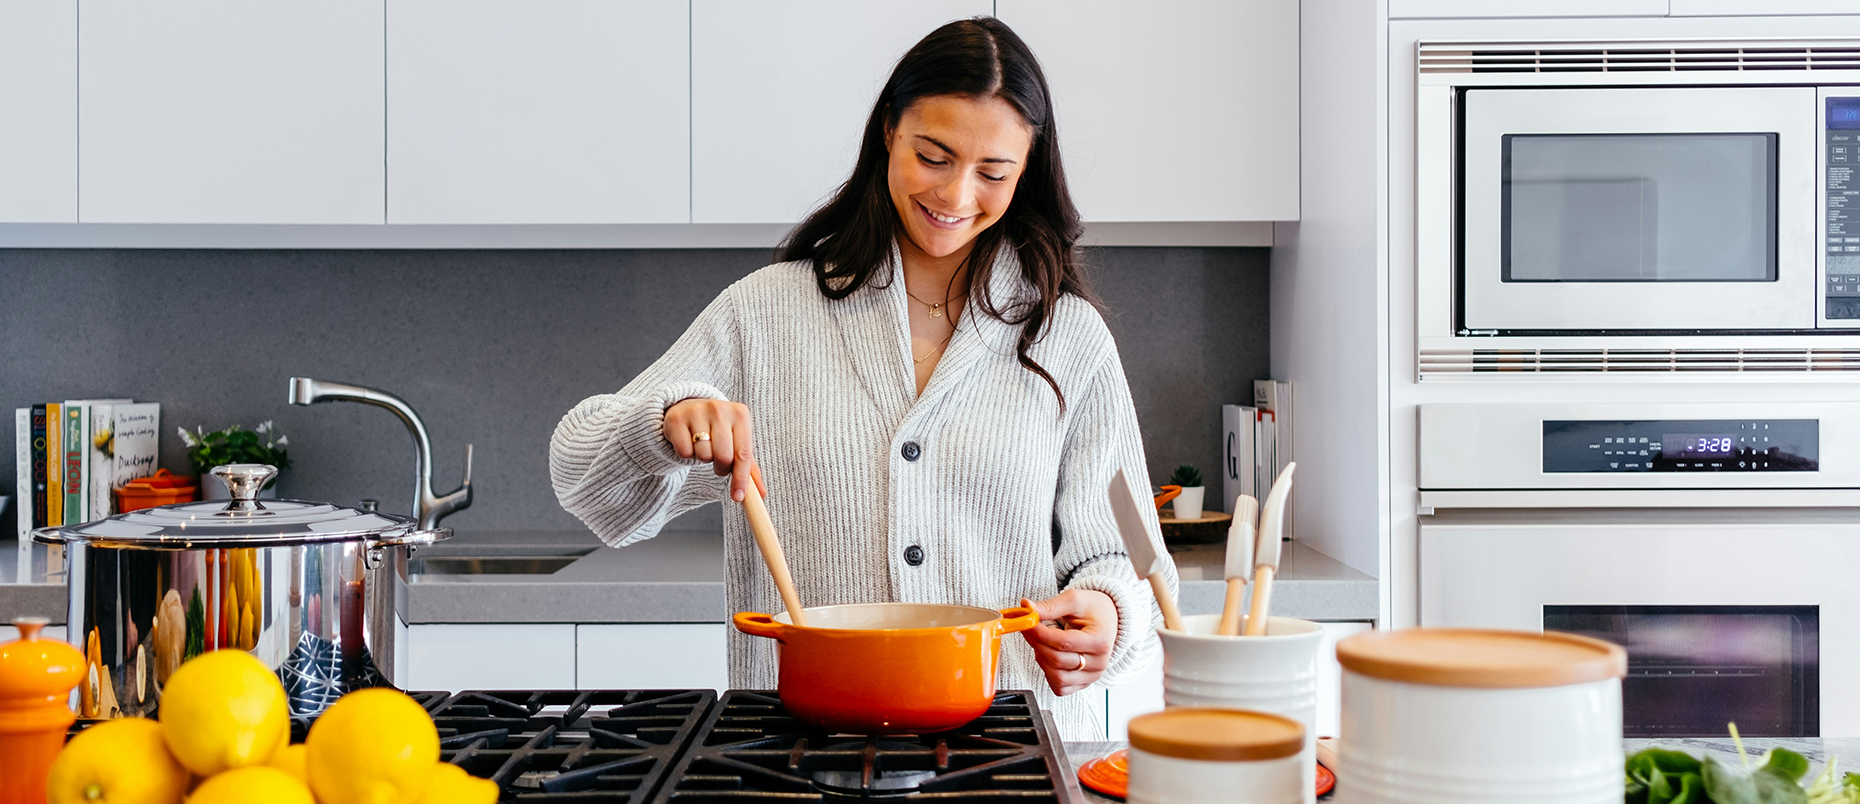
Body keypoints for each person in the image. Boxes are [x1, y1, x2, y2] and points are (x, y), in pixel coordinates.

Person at [549, 16, 1177, 740]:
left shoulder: (1068, 337)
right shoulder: (769, 313)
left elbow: (1128, 559)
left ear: (1027, 169)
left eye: (993, 172)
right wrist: (662, 425)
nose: (957, 193)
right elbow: (583, 480)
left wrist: (1105, 613)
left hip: (1003, 752)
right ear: (888, 132)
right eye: (933, 156)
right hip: (792, 751)